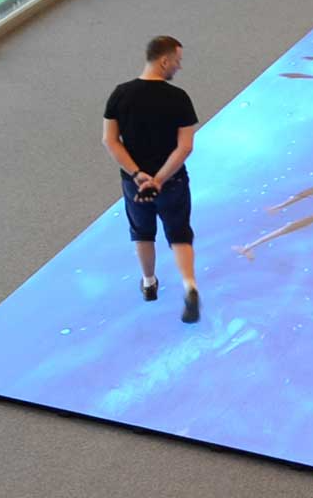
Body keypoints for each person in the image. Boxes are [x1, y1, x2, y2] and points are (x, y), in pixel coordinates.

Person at [102, 35, 200, 323]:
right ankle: (190, 286)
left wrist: (138, 174)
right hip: (173, 181)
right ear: (164, 60)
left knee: (142, 232)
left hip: (135, 184)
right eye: (178, 62)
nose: (178, 68)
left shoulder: (120, 94)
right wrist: (159, 178)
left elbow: (110, 141)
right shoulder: (178, 98)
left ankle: (148, 283)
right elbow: (185, 146)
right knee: (179, 232)